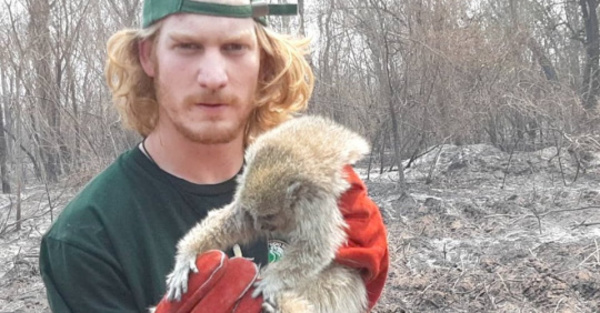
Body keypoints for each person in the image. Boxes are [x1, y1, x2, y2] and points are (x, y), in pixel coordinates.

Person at [39, 0, 389, 312]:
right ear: (148, 56)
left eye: (235, 47)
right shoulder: (88, 236)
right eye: (187, 46)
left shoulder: (308, 183)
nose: (213, 77)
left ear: (263, 61)